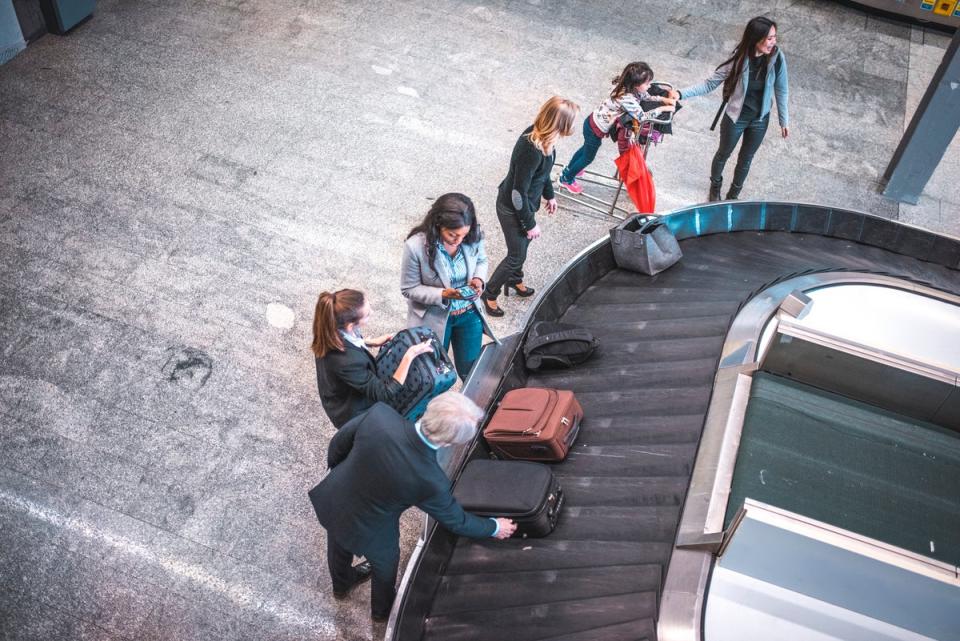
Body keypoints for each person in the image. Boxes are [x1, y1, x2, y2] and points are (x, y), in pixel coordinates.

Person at [307, 392, 518, 621]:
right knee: (385, 566)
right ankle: (381, 612)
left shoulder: (380, 415)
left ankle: (341, 584)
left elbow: (338, 443)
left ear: (429, 409)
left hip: (335, 497)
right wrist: (495, 527)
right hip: (373, 528)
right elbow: (458, 521)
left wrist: (340, 472)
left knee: (337, 541)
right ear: (448, 442)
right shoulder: (430, 480)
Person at [671, 16, 789, 201]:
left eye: (774, 37)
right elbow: (709, 84)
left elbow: (782, 89)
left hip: (760, 119)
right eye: (769, 38)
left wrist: (784, 120)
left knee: (746, 159)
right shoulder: (738, 61)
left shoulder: (777, 58)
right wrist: (680, 93)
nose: (773, 42)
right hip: (736, 118)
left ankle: (733, 196)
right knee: (723, 154)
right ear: (755, 38)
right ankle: (715, 186)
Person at [482, 96, 579, 317]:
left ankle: (515, 281)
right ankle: (489, 294)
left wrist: (550, 195)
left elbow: (542, 175)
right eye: (571, 121)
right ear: (559, 122)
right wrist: (530, 224)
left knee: (522, 250)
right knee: (516, 255)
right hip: (512, 208)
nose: (573, 126)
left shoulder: (546, 141)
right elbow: (517, 193)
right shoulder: (531, 149)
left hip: (526, 206)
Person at [401, 193, 492, 381]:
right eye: (452, 234)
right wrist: (442, 294)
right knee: (431, 374)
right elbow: (409, 288)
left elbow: (481, 260)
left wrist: (478, 279)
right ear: (437, 225)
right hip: (433, 317)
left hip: (469, 314)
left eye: (463, 235)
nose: (458, 240)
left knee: (471, 371)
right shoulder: (415, 247)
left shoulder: (473, 236)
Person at [312, 288, 433, 429]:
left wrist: (369, 342)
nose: (373, 313)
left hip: (338, 394)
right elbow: (385, 394)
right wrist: (409, 355)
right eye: (368, 314)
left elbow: (349, 344)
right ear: (350, 325)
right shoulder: (348, 362)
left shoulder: (328, 331)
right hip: (353, 414)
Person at [557, 62, 675, 194]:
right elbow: (642, 117)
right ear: (636, 84)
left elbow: (645, 96)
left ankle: (571, 168)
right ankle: (566, 178)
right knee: (588, 156)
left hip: (592, 122)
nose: (649, 86)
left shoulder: (629, 88)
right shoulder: (627, 98)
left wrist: (661, 99)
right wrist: (662, 108)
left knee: (585, 150)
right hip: (595, 129)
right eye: (647, 83)